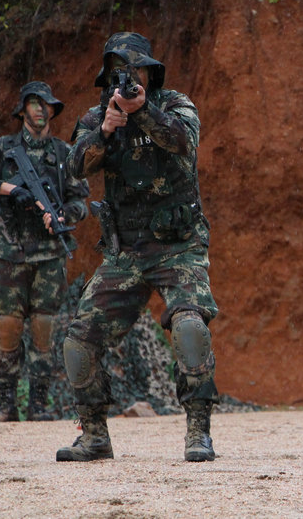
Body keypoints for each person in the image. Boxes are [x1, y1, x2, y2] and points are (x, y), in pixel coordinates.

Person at [56, 32, 220, 463]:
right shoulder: (97, 117)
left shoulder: (176, 105)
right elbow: (73, 167)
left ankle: (198, 432)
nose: (125, 81)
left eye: (133, 72)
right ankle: (93, 435)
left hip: (178, 246)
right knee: (78, 342)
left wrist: (141, 110)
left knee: (189, 328)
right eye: (117, 75)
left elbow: (182, 143)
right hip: (125, 251)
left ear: (150, 72)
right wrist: (106, 131)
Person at [0, 81, 89, 422]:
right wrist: (7, 188)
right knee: (8, 327)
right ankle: (5, 405)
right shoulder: (2, 149)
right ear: (22, 109)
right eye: (34, 103)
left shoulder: (62, 153)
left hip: (48, 254)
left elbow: (81, 201)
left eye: (46, 104)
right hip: (9, 251)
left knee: (44, 329)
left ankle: (39, 405)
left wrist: (62, 216)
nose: (41, 109)